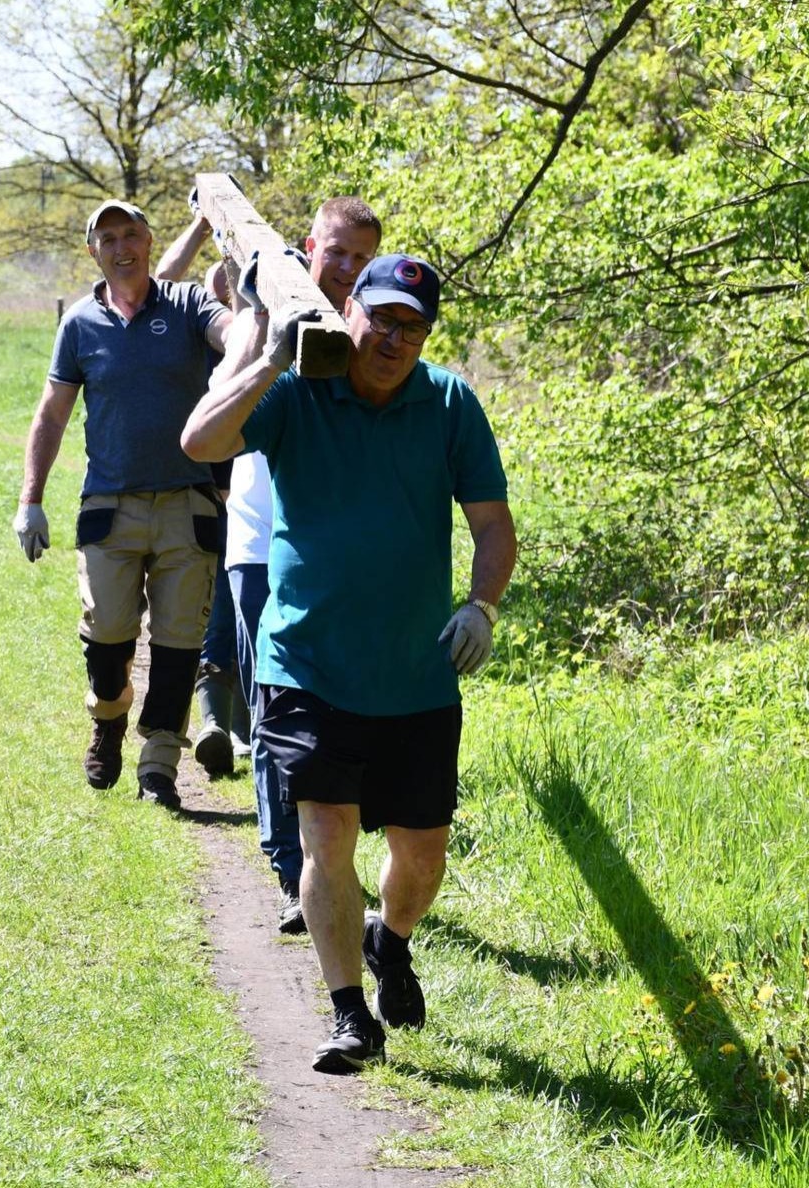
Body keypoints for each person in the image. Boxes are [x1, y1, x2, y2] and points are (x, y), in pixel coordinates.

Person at [181, 253, 517, 1073]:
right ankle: (347, 1013)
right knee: (326, 838)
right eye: (383, 317)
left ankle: (389, 938)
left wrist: (482, 605)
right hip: (307, 665)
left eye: (414, 326)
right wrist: (268, 355)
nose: (395, 338)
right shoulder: (298, 390)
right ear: (350, 310)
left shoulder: (447, 403)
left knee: (423, 854)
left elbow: (493, 526)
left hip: (414, 675)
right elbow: (199, 440)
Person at [162, 196, 385, 934]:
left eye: (361, 255)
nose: (347, 268)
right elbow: (207, 428)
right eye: (336, 251)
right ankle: (292, 869)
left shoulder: (368, 333)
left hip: (338, 553)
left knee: (343, 708)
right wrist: (266, 348)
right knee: (272, 709)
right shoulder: (261, 323)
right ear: (304, 247)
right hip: (259, 547)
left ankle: (331, 859)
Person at [13, 199, 234, 809]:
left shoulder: (187, 306)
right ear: (94, 252)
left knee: (178, 640)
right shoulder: (79, 324)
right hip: (109, 506)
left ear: (148, 240)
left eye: (131, 234)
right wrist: (30, 499)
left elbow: (228, 332)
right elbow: (53, 412)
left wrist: (254, 322)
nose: (121, 246)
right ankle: (108, 719)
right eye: (107, 238)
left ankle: (159, 764)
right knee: (107, 635)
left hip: (188, 504)